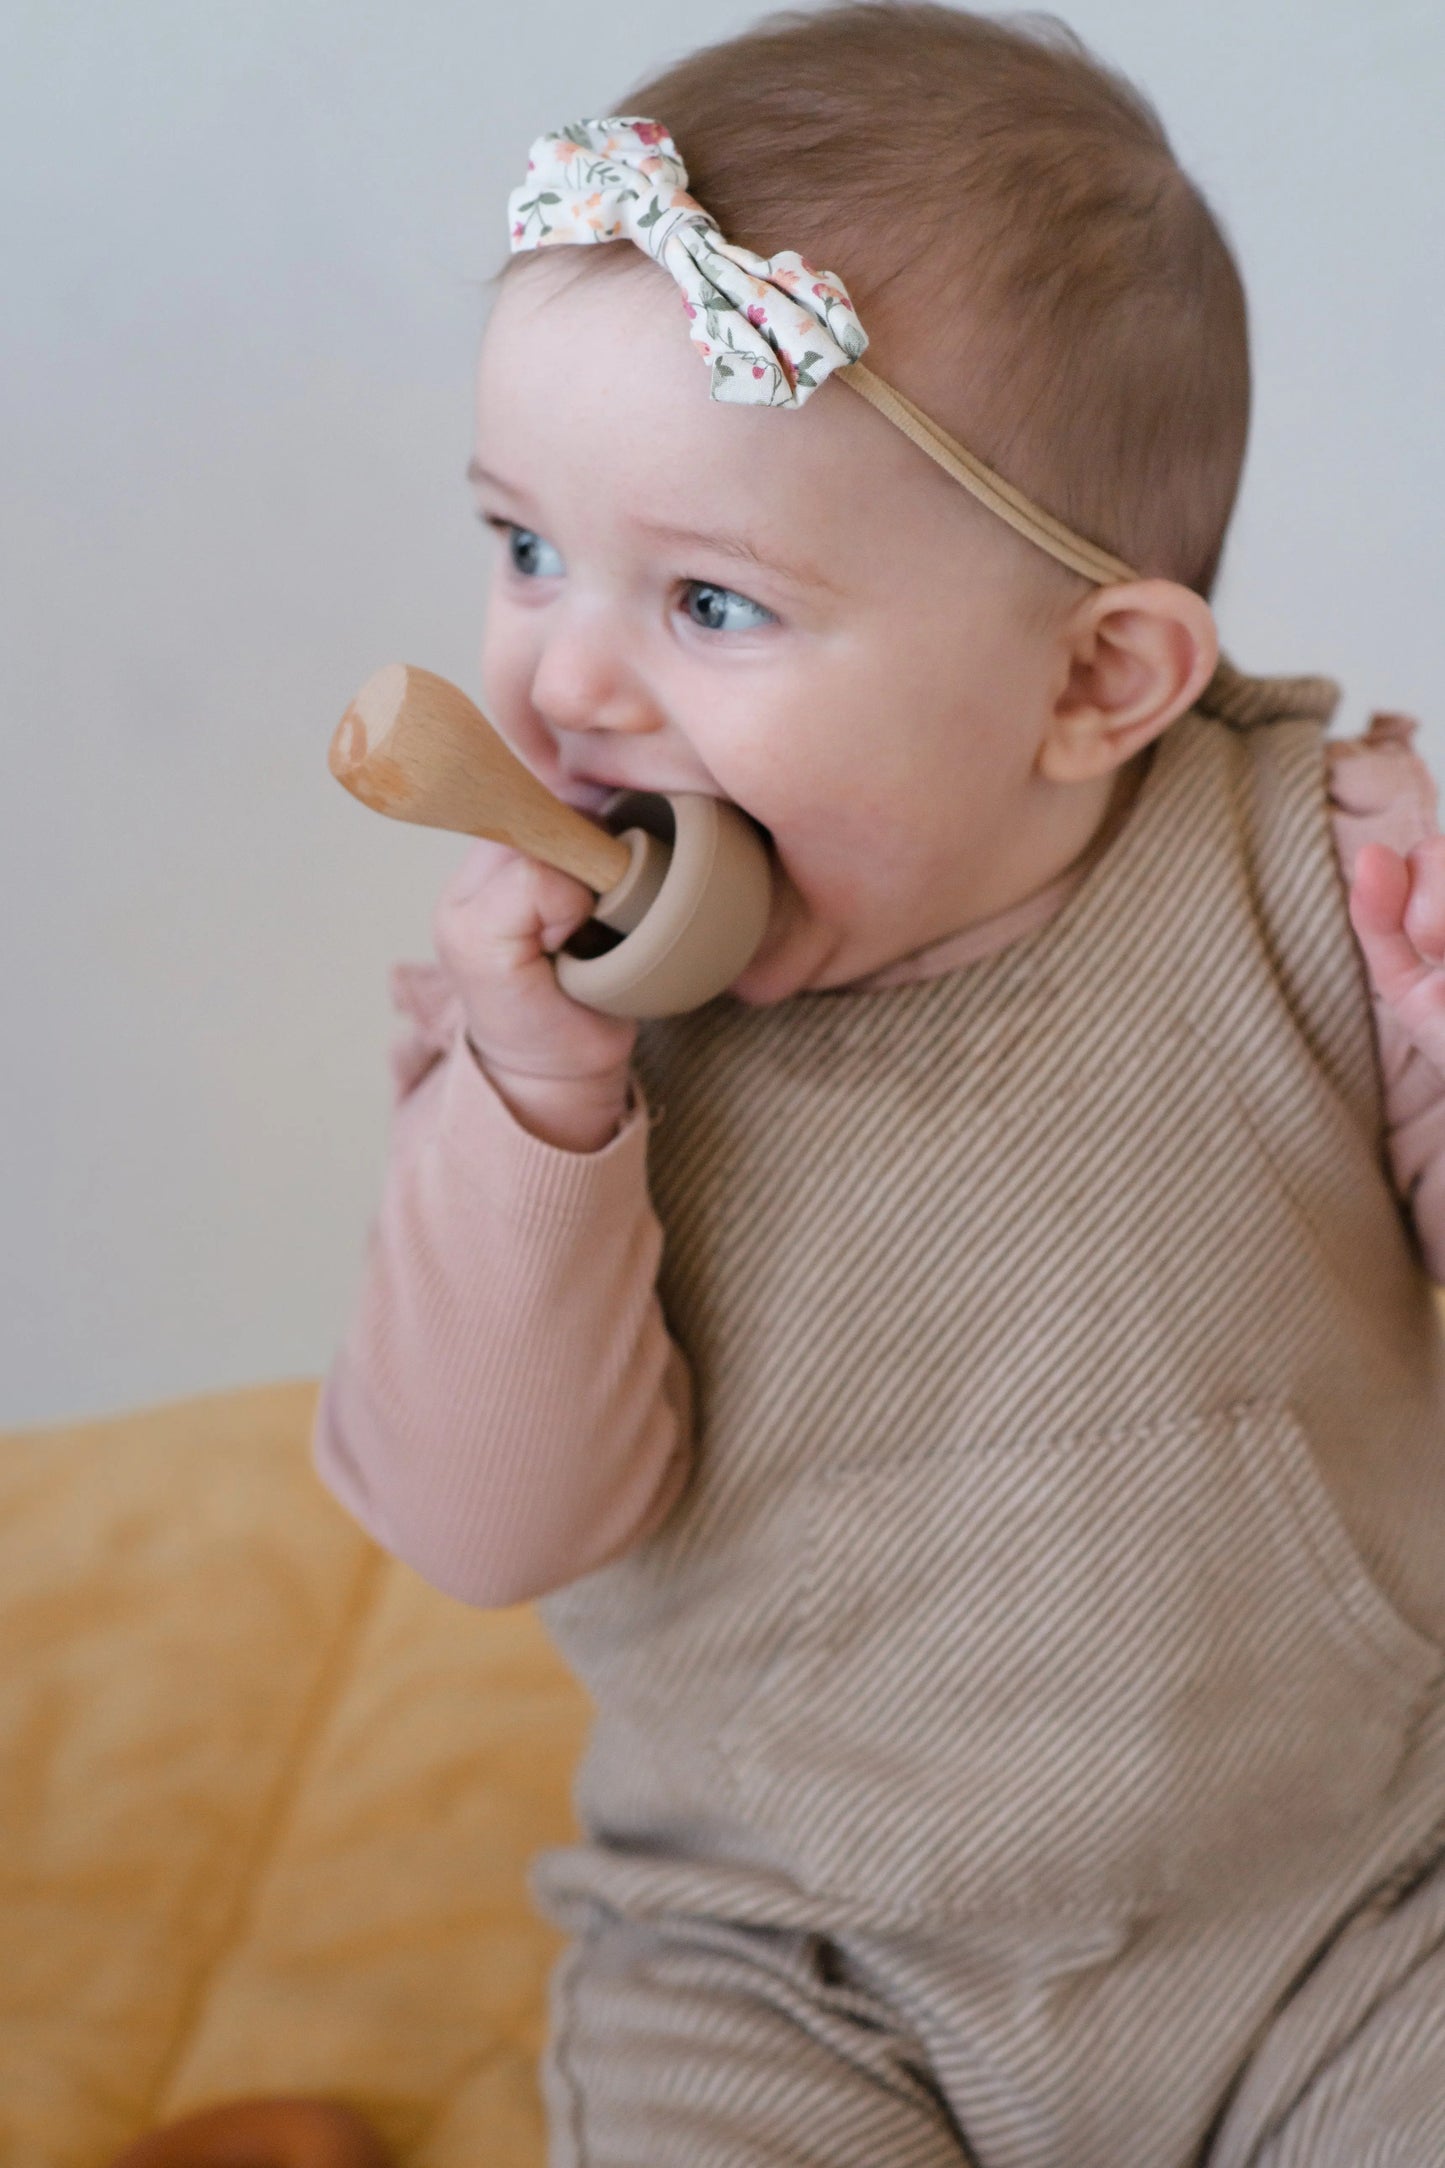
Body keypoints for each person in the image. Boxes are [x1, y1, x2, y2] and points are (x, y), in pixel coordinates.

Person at [314, 9, 1445, 2162]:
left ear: (1098, 679)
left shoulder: (1306, 875)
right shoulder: (553, 1036)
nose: (562, 679)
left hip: (1361, 1909)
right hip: (787, 1962)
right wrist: (537, 1107)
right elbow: (485, 1525)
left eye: (712, 598)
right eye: (527, 547)